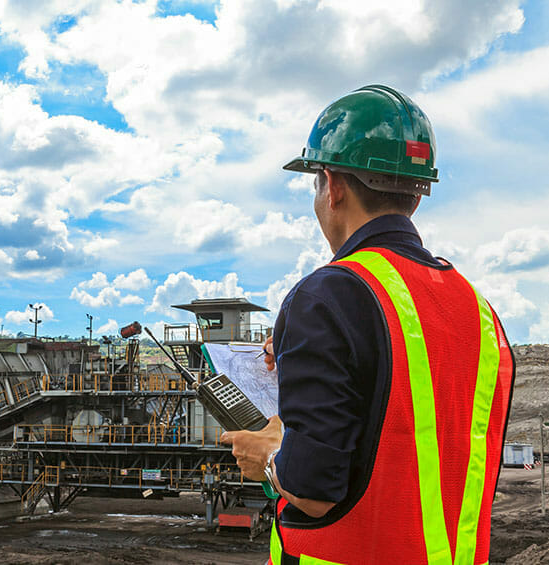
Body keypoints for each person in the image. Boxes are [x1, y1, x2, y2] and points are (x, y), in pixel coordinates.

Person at [220, 85, 514, 564]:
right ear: (416, 197)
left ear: (332, 186)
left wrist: (270, 456)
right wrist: (308, 354)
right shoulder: (478, 311)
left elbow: (314, 489)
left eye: (316, 183)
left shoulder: (326, 295)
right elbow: (410, 416)